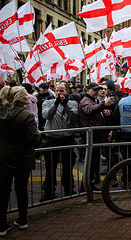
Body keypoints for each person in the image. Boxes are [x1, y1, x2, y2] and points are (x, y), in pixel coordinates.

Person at [0, 86, 41, 235]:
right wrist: (38, 134)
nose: (28, 98)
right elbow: (33, 138)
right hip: (22, 157)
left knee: (3, 190)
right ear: (19, 99)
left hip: (4, 156)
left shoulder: (1, 111)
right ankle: (22, 219)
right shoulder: (26, 115)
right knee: (21, 189)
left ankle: (2, 224)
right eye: (25, 96)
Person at [41, 81, 78, 201]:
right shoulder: (47, 102)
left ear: (67, 91)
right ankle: (49, 191)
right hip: (52, 138)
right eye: (57, 90)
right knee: (50, 167)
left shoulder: (72, 103)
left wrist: (66, 105)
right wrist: (55, 104)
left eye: (61, 90)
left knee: (68, 166)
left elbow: (74, 117)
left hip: (67, 138)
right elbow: (46, 115)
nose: (58, 93)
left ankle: (68, 189)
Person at [78, 82, 114, 191]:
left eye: (97, 90)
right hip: (91, 136)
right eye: (94, 90)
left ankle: (88, 185)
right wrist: (103, 105)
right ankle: (85, 187)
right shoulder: (85, 101)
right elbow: (89, 110)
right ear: (87, 90)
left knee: (93, 163)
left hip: (96, 135)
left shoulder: (92, 100)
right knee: (90, 163)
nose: (97, 92)